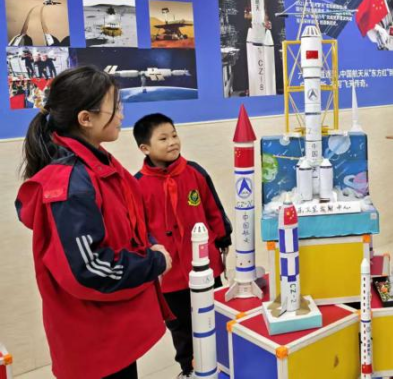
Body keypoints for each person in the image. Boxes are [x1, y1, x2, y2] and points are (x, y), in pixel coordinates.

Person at [15, 67, 172, 379]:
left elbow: (126, 219)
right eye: (115, 107)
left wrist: (150, 244)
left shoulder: (98, 164)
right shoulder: (72, 184)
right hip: (94, 341)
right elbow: (89, 268)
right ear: (86, 119)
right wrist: (153, 262)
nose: (121, 115)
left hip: (113, 329)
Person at [134, 113, 232, 379]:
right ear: (145, 148)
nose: (173, 142)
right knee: (180, 327)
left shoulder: (195, 172)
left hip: (206, 267)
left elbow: (213, 209)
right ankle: (188, 368)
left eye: (174, 135)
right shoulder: (137, 185)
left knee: (214, 317)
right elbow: (138, 229)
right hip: (169, 277)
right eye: (163, 138)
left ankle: (223, 363)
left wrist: (223, 238)